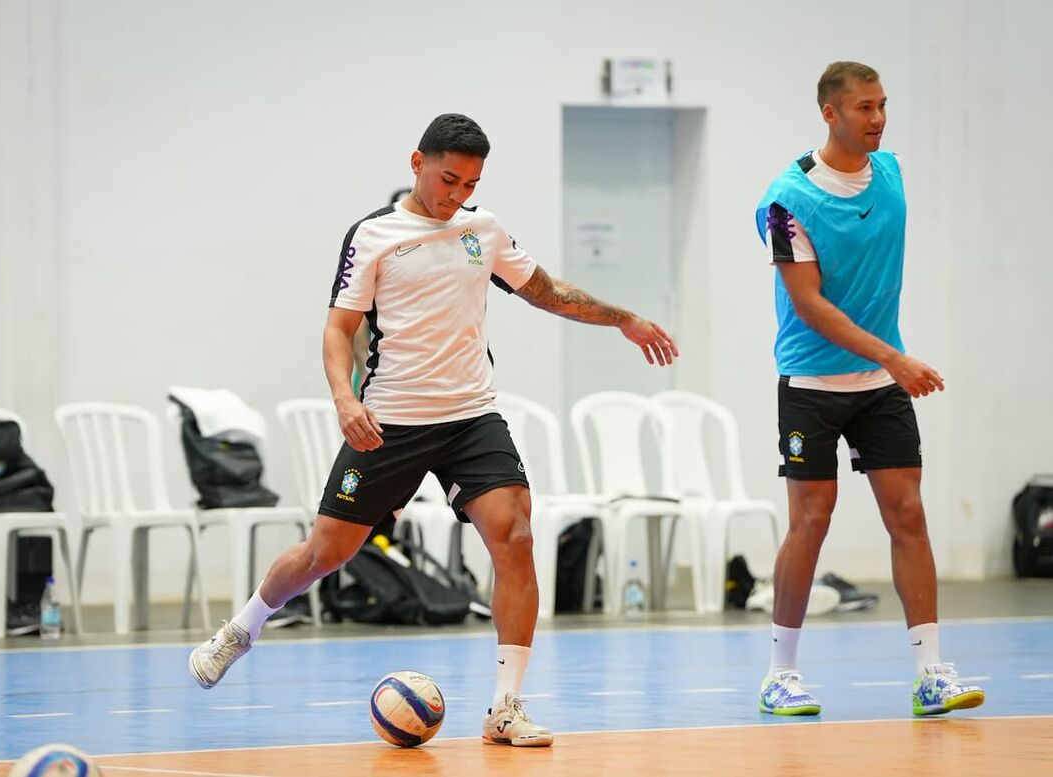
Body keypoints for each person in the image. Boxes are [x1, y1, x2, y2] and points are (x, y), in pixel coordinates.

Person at [189, 113, 678, 746]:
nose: (458, 195)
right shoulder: (374, 235)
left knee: (517, 534)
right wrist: (344, 399)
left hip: (471, 415)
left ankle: (506, 707)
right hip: (392, 419)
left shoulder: (484, 229)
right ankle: (244, 628)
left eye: (471, 183)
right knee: (326, 553)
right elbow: (339, 328)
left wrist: (624, 319)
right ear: (416, 163)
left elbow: (547, 292)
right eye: (449, 179)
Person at [753, 62, 985, 717]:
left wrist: (888, 363)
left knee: (908, 515)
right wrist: (896, 354)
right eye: (863, 108)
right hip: (812, 382)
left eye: (883, 105)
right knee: (812, 520)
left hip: (881, 384)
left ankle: (930, 671)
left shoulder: (892, 172)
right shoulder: (785, 200)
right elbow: (809, 303)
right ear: (830, 113)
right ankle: (781, 672)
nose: (878, 118)